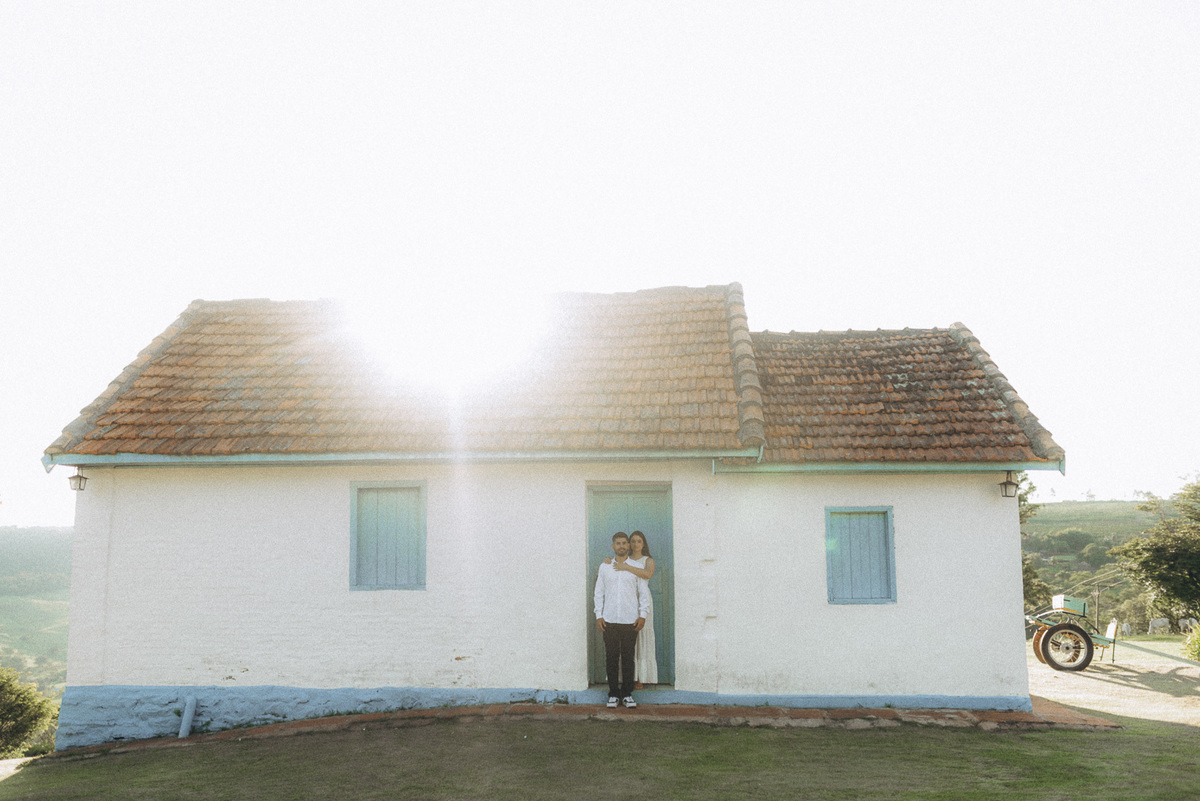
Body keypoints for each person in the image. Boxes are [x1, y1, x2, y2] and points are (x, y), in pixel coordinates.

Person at [594, 531, 649, 709]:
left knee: (628, 657)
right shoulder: (605, 567)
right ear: (613, 546)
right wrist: (599, 615)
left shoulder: (635, 567)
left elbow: (643, 593)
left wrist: (643, 615)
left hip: (629, 620)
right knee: (611, 657)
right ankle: (613, 694)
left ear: (628, 546)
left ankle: (626, 694)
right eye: (618, 543)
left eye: (625, 543)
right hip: (609, 619)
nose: (622, 546)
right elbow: (599, 592)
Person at [605, 530, 657, 688]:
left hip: (642, 601)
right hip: (627, 601)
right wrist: (610, 561)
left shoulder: (648, 560)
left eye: (639, 541)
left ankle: (640, 677)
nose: (635, 544)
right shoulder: (622, 560)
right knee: (628, 641)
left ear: (643, 544)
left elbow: (647, 574)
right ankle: (628, 678)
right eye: (632, 541)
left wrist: (626, 567)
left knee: (642, 637)